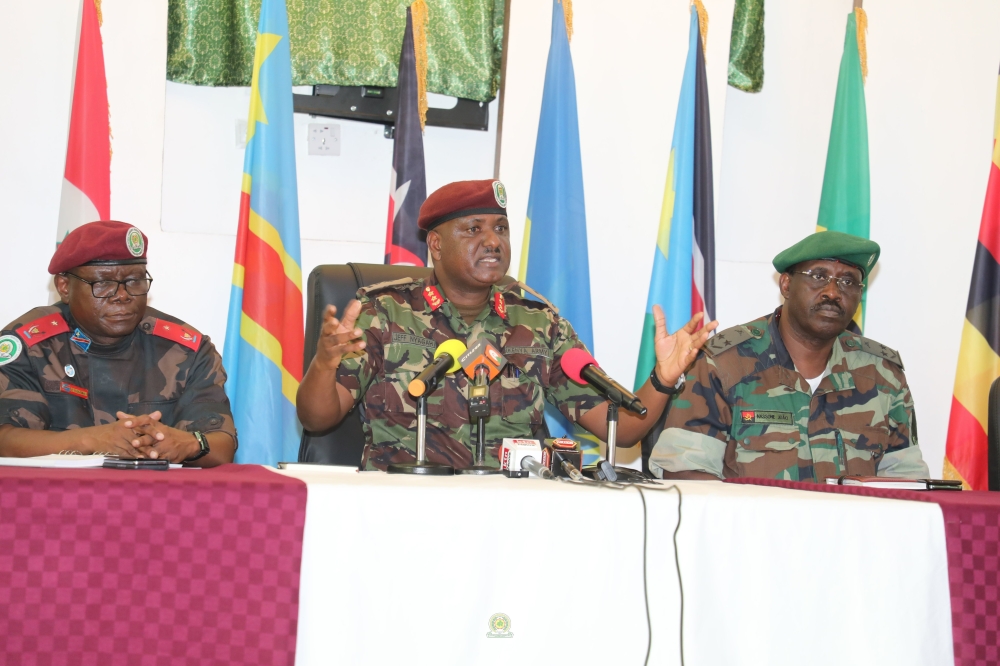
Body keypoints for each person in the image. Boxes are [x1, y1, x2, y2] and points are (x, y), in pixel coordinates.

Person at [297, 179, 718, 470]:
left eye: (501, 228)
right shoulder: (383, 311)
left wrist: (663, 379)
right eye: (473, 229)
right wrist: (323, 364)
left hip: (514, 514)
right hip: (406, 509)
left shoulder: (537, 323)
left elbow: (622, 430)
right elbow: (318, 419)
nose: (493, 241)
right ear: (437, 245)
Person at [648, 230, 929, 482]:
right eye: (819, 277)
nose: (833, 292)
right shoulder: (724, 362)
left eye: (848, 282)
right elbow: (684, 471)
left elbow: (906, 483)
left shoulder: (882, 374)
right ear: (785, 285)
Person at [0, 221, 236, 466]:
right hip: (58, 498)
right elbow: (5, 438)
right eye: (102, 283)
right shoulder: (30, 345)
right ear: (64, 287)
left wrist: (187, 444)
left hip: (155, 498)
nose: (122, 295)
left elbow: (222, 446)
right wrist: (90, 441)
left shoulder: (186, 350)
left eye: (134, 281)